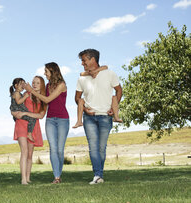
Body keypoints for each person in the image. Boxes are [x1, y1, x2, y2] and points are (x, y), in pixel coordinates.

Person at [75, 48, 122, 184]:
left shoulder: (110, 74)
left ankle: (99, 175)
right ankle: (98, 175)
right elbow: (77, 98)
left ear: (92, 59)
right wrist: (84, 109)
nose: (82, 63)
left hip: (105, 117)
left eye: (84, 60)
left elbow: (119, 90)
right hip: (89, 117)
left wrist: (114, 107)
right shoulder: (82, 78)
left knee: (102, 148)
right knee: (93, 147)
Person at [24, 62, 70, 184]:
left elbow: (48, 99)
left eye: (46, 71)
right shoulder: (48, 85)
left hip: (62, 120)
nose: (44, 73)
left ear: (52, 71)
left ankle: (59, 174)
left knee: (60, 149)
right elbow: (41, 100)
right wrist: (30, 92)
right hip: (50, 120)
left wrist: (32, 91)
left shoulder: (61, 85)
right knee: (53, 148)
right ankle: (56, 177)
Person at [12, 76, 47, 184]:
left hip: (33, 126)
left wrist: (26, 113)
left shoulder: (43, 98)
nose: (35, 84)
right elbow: (14, 104)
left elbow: (41, 116)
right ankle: (23, 179)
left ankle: (27, 178)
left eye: (37, 83)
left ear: (42, 85)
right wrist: (13, 113)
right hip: (21, 124)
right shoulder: (25, 94)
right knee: (24, 151)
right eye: (33, 82)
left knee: (30, 154)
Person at [9, 77, 36, 142]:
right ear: (16, 85)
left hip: (17, 112)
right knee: (32, 118)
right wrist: (25, 97)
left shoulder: (18, 93)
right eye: (21, 83)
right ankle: (29, 134)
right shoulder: (17, 93)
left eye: (24, 83)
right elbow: (18, 102)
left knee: (31, 118)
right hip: (18, 112)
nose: (23, 85)